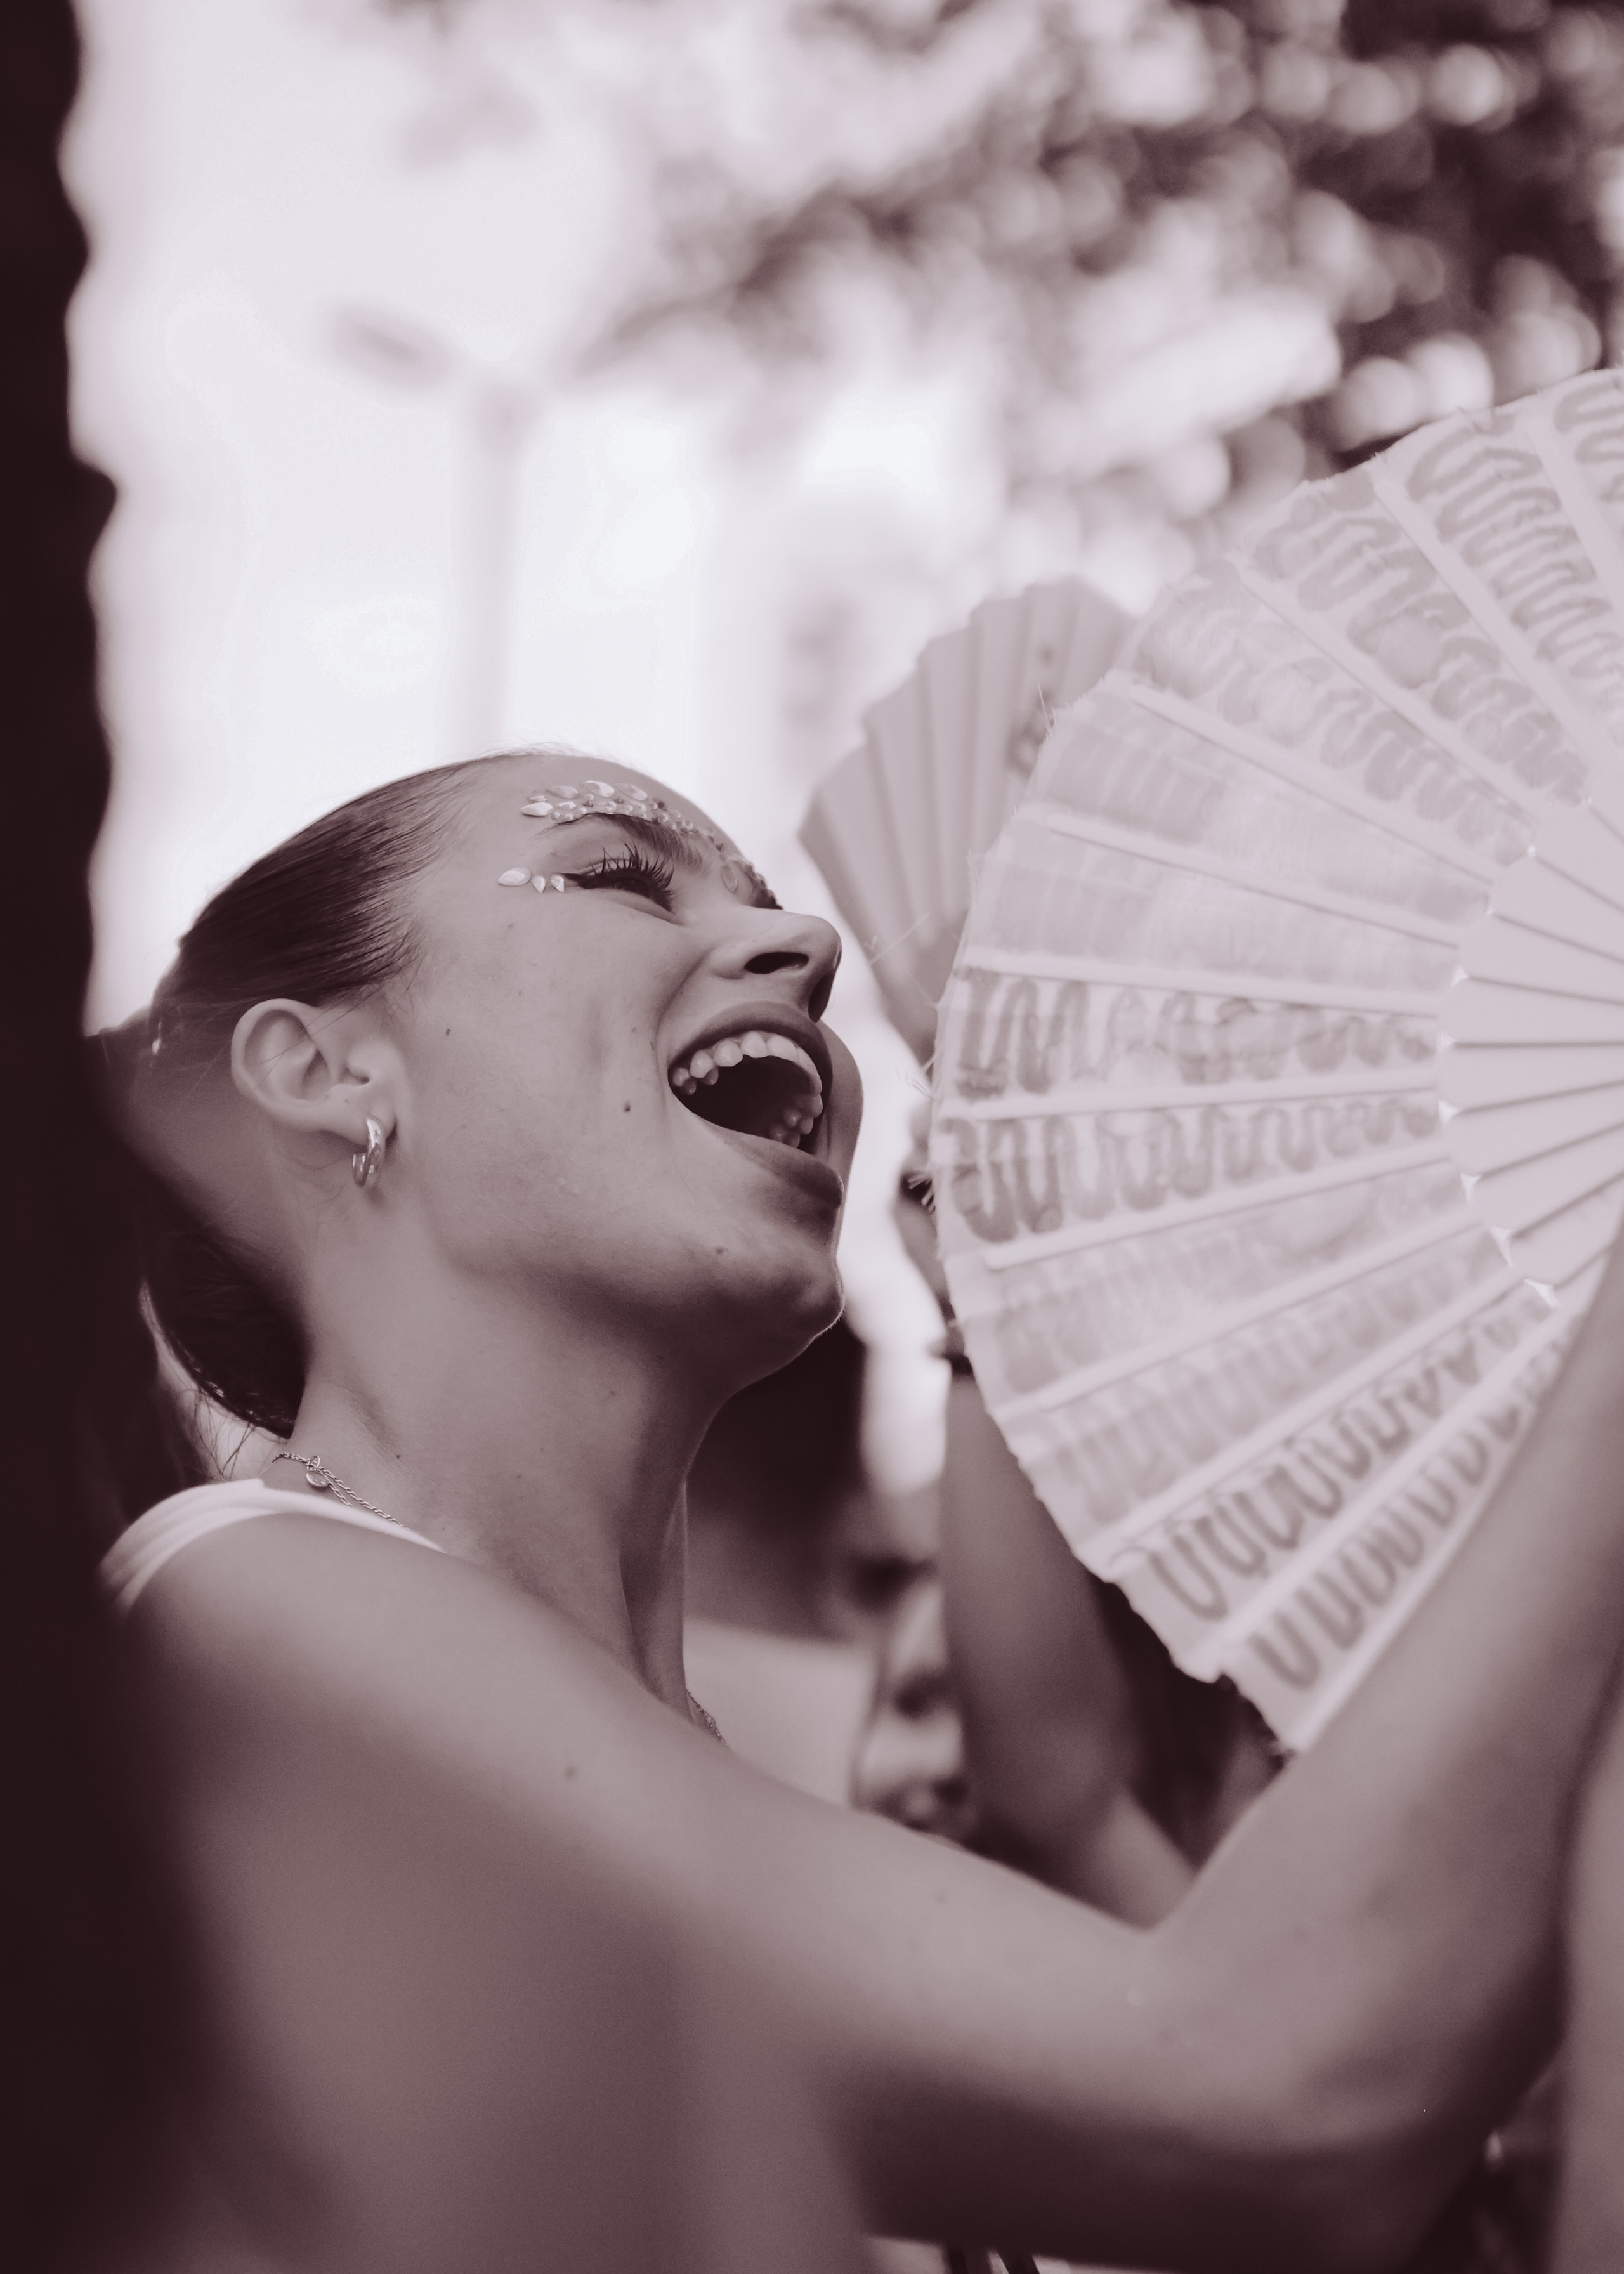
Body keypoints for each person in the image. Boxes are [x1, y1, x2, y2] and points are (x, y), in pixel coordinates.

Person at [98, 750, 1624, 2271]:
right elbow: (1269, 2080)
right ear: (324, 1071)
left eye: (773, 912)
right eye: (619, 877)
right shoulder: (241, 1608)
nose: (807, 953)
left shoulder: (714, 1786)